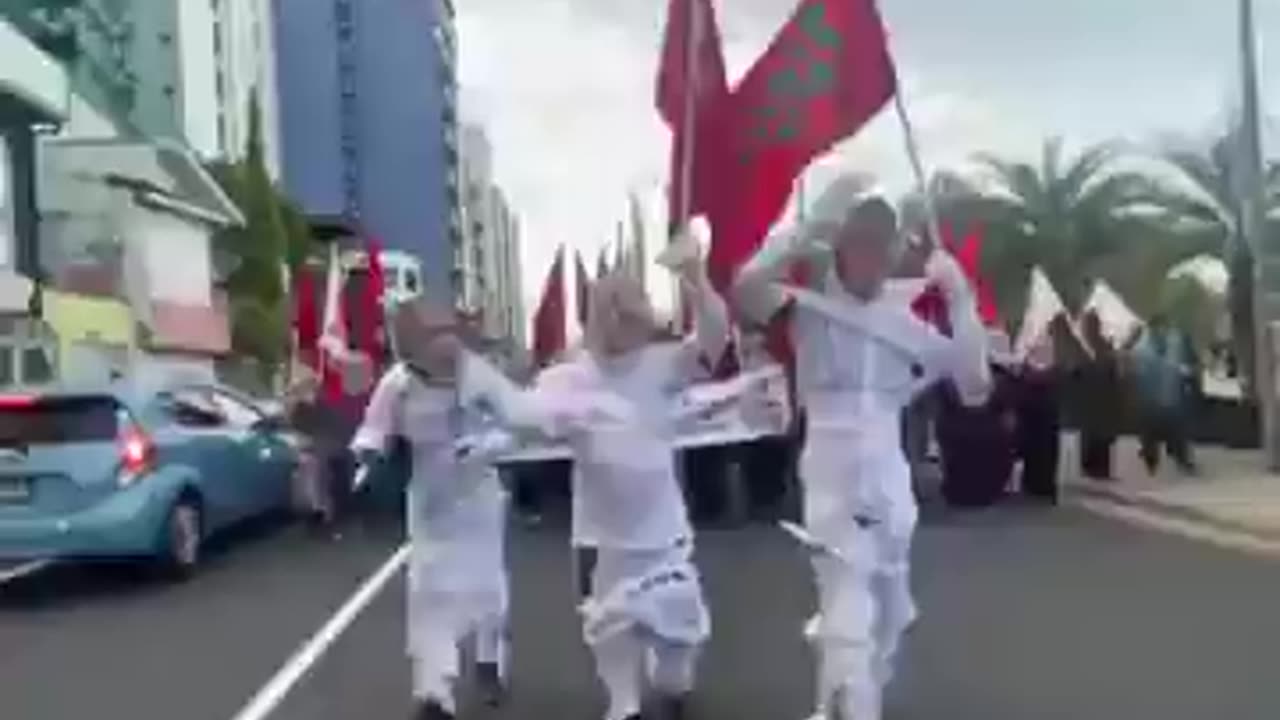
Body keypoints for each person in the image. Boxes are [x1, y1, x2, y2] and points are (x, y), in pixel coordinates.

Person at [733, 189, 990, 720]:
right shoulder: (806, 310)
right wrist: (800, 236)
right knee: (846, 608)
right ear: (841, 248)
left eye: (883, 246)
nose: (872, 257)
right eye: (861, 243)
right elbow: (745, 290)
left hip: (890, 484)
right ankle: (850, 704)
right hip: (830, 475)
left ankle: (847, 695)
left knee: (887, 617)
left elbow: (974, 384)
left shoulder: (905, 323)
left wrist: (961, 298)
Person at [528, 221, 729, 720]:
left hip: (663, 532)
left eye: (628, 309)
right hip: (602, 536)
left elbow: (715, 337)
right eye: (609, 309)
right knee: (607, 625)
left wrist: (696, 278)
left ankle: (671, 677)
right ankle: (624, 703)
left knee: (681, 635)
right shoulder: (568, 376)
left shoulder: (664, 365)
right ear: (595, 317)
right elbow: (525, 416)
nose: (619, 320)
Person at [351, 298, 548, 720]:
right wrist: (368, 460)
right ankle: (435, 692)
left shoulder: (479, 377)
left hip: (478, 499)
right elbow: (373, 430)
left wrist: (487, 446)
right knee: (428, 594)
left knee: (488, 590)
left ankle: (489, 661)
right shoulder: (398, 385)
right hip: (428, 502)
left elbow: (523, 422)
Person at [937, 329, 1019, 508]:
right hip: (988, 433)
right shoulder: (1001, 378)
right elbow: (1008, 417)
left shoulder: (949, 375)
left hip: (960, 432)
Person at [282, 365, 346, 535]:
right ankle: (321, 518)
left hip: (316, 450)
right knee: (317, 485)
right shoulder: (304, 405)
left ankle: (322, 518)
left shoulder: (315, 404)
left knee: (317, 485)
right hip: (314, 450)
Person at [1131, 315, 1198, 475]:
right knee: (1150, 434)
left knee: (1177, 430)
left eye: (1163, 328)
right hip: (1150, 399)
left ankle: (1181, 458)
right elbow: (1136, 374)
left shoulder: (1176, 342)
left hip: (1171, 396)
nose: (1161, 331)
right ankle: (1151, 462)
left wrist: (1187, 373)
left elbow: (1189, 363)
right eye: (1157, 329)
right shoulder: (1142, 348)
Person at [1015, 327, 1064, 504]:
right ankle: (1041, 483)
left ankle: (1036, 481)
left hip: (1036, 397)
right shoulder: (1045, 336)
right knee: (1044, 441)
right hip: (1044, 400)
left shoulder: (1034, 336)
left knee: (1037, 439)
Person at [1076, 311, 1122, 481]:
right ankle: (1089, 466)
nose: (1086, 329)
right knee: (1090, 434)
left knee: (1102, 435)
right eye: (1085, 326)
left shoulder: (1104, 347)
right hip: (1090, 398)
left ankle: (1100, 468)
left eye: (1089, 325)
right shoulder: (1083, 346)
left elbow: (1114, 374)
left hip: (1102, 398)